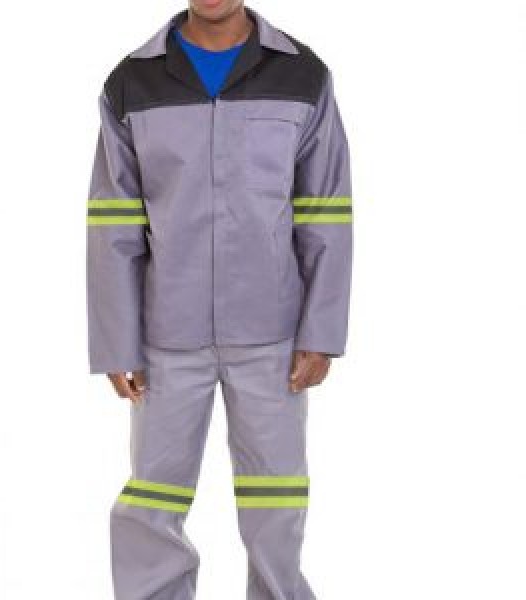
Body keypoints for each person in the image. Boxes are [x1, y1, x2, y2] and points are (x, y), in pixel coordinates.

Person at [86, 1, 353, 598]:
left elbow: (327, 211)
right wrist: (117, 342)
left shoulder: (302, 75)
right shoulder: (132, 82)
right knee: (153, 495)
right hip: (165, 333)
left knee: (276, 497)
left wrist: (321, 331)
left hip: (273, 332)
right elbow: (112, 222)